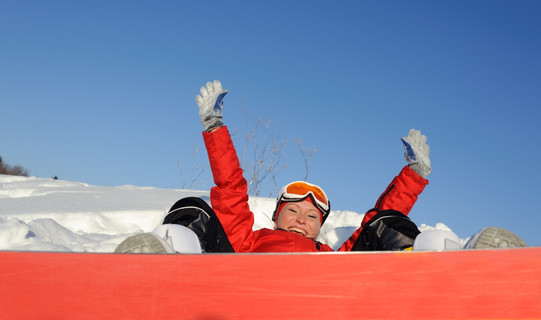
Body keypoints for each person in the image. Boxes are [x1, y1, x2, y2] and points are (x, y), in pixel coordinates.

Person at [116, 80, 432, 254]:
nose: (301, 219)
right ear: (276, 215)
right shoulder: (249, 242)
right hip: (237, 289)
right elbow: (231, 190)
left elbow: (377, 221)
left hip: (327, 298)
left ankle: (418, 268)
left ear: (319, 228)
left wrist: (414, 175)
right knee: (193, 210)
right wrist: (214, 128)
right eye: (293, 211)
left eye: (311, 217)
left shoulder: (329, 259)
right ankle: (158, 261)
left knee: (385, 222)